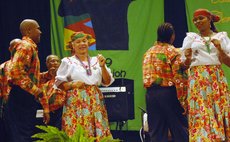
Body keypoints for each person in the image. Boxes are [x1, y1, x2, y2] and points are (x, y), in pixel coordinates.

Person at [180, 9, 230, 141]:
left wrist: (220, 50)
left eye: (201, 18)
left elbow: (228, 62)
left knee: (217, 108)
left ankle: (219, 137)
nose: (197, 22)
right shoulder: (191, 38)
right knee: (201, 110)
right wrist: (187, 58)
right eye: (195, 20)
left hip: (215, 77)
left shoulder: (221, 37)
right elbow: (184, 65)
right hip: (197, 78)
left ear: (209, 19)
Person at [54, 31, 114, 141]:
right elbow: (59, 83)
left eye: (84, 41)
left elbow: (107, 81)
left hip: (94, 100)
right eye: (78, 42)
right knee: (78, 130)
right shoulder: (68, 62)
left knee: (96, 129)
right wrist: (72, 84)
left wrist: (103, 66)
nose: (82, 44)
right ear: (72, 45)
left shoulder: (97, 60)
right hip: (76, 101)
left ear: (88, 43)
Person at [142, 23, 191, 142]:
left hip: (151, 94)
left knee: (157, 131)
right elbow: (179, 78)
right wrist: (183, 100)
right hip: (168, 93)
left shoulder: (149, 52)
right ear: (172, 36)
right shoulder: (172, 51)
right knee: (179, 129)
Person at [3, 19, 50, 142]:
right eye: (38, 28)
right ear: (29, 31)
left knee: (23, 132)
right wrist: (36, 91)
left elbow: (28, 76)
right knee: (22, 134)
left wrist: (46, 76)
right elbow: (16, 73)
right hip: (21, 96)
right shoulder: (25, 46)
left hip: (23, 95)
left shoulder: (30, 47)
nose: (40, 32)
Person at [40, 54, 65, 129]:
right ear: (47, 63)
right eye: (53, 61)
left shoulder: (65, 76)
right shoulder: (43, 77)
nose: (55, 63)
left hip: (63, 110)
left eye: (57, 61)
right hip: (49, 110)